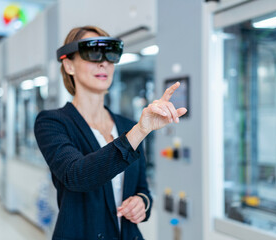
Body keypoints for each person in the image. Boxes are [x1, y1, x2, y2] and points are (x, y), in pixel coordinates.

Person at [34, 26, 187, 240]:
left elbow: (142, 189)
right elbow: (76, 176)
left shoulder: (128, 125)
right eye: (92, 53)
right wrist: (140, 131)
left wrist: (142, 202)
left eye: (110, 55)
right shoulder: (53, 122)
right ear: (68, 65)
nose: (103, 62)